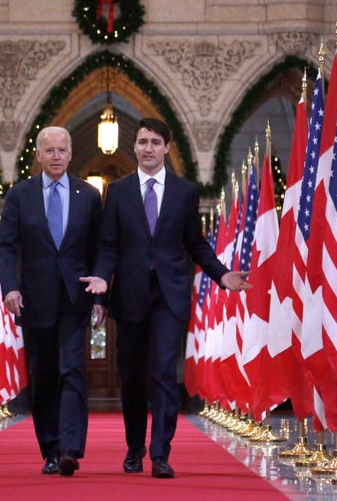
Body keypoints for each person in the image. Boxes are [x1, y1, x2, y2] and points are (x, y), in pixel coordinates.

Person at [81, 117, 250, 479]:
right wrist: (101, 278)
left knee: (161, 374)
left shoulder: (185, 192)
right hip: (129, 297)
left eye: (155, 142)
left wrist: (221, 274)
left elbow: (196, 244)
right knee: (133, 377)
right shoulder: (119, 191)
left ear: (166, 148)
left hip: (169, 298)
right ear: (135, 146)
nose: (148, 148)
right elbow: (108, 244)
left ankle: (160, 453)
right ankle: (133, 448)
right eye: (142, 142)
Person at [0, 126, 104, 477]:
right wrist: (10, 287)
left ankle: (71, 448)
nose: (56, 156)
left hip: (76, 298)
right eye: (50, 150)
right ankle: (51, 450)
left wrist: (102, 293)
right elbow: (6, 245)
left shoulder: (88, 195)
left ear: (71, 154)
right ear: (38, 156)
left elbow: (101, 247)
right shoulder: (19, 195)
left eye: (62, 150)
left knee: (72, 369)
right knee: (43, 375)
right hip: (34, 299)